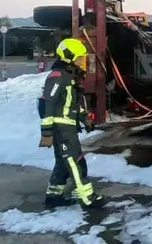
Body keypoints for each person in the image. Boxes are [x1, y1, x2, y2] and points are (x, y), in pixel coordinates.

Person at [38, 37, 105, 209]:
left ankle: (54, 195)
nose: (82, 62)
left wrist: (84, 118)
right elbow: (49, 103)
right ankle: (87, 197)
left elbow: (72, 103)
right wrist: (47, 131)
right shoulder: (57, 76)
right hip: (61, 128)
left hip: (68, 127)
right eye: (79, 58)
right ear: (68, 56)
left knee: (63, 162)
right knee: (75, 162)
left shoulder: (69, 77)